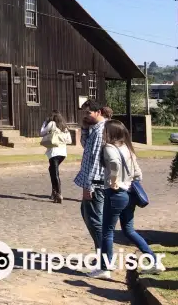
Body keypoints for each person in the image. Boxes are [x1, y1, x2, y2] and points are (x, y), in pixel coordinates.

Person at [89, 119, 163, 278]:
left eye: (105, 131)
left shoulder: (109, 147)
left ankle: (105, 268)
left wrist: (114, 180)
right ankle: (154, 261)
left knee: (107, 232)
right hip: (130, 193)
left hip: (116, 193)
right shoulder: (127, 148)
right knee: (129, 230)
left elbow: (114, 163)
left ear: (110, 133)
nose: (103, 133)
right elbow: (138, 173)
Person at [73, 100, 107, 251]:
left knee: (95, 220)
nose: (85, 116)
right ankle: (103, 252)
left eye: (88, 113)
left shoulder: (101, 132)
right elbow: (86, 146)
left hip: (96, 182)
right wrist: (85, 129)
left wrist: (89, 186)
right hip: (93, 181)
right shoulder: (94, 129)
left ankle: (104, 256)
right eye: (84, 113)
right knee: (88, 215)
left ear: (98, 112)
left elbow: (96, 160)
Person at [40, 111, 72, 203]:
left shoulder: (52, 123)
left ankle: (58, 193)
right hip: (63, 153)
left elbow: (42, 132)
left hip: (54, 152)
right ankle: (54, 192)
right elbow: (69, 140)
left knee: (55, 173)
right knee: (52, 170)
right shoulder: (64, 126)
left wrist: (44, 123)